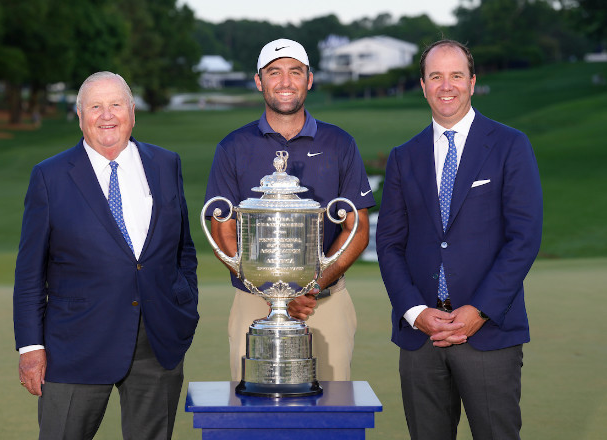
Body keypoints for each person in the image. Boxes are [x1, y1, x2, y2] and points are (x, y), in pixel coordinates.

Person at [13, 71, 198, 440]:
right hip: (76, 345)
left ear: (132, 112)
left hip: (157, 340)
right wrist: (31, 347)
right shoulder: (49, 176)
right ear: (79, 116)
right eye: (95, 106)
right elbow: (30, 272)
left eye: (116, 104)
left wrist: (184, 309)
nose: (107, 115)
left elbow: (183, 250)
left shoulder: (165, 164)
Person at [376, 40, 543, 439]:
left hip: (488, 332)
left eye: (455, 75)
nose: (445, 85)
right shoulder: (404, 156)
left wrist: (479, 310)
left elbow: (524, 237)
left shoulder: (510, 145)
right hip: (421, 338)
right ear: (423, 85)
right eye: (436, 76)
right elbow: (390, 244)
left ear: (472, 81)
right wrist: (415, 311)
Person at [204, 38, 375, 382]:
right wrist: (272, 293)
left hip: (322, 301)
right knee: (252, 410)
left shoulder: (339, 143)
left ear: (309, 79)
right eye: (274, 72)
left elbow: (356, 229)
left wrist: (305, 289)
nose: (285, 82)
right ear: (259, 81)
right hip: (254, 302)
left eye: (295, 72)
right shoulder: (233, 147)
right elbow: (223, 230)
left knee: (331, 411)